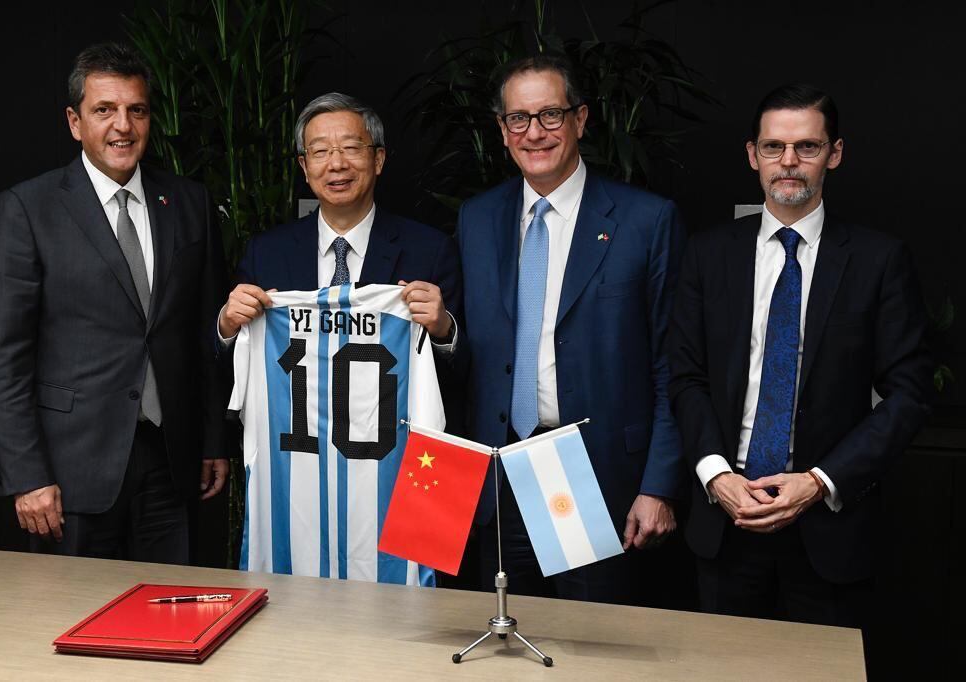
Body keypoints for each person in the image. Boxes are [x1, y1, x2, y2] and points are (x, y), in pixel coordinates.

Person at [669, 84, 931, 631]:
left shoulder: (879, 260)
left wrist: (819, 481)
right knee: (723, 667)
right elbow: (686, 377)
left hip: (828, 527)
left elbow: (909, 394)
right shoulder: (708, 253)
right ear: (753, 155)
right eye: (774, 147)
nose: (788, 161)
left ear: (834, 153)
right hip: (727, 517)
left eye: (807, 146)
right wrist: (716, 476)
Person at [0, 42, 230, 563]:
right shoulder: (28, 209)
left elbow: (201, 334)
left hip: (171, 464)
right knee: (74, 610)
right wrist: (27, 475)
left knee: (167, 605)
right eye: (104, 110)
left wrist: (211, 441)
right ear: (75, 122)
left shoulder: (189, 202)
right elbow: (5, 358)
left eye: (137, 110)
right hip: (69, 472)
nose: (123, 126)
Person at [455, 56, 686, 603]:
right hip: (501, 472)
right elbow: (466, 354)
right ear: (502, 130)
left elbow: (672, 365)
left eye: (550, 115)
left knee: (592, 637)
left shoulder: (646, 220)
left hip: (600, 476)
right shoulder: (477, 219)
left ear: (580, 119)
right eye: (518, 118)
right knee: (508, 632)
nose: (534, 132)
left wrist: (658, 485)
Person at [217, 92, 462, 583]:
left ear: (379, 158)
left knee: (409, 604)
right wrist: (227, 326)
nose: (337, 163)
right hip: (298, 482)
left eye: (351, 147)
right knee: (298, 603)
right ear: (304, 167)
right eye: (320, 151)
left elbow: (466, 374)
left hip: (397, 476)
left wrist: (444, 329)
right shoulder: (267, 253)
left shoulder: (429, 249)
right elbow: (231, 370)